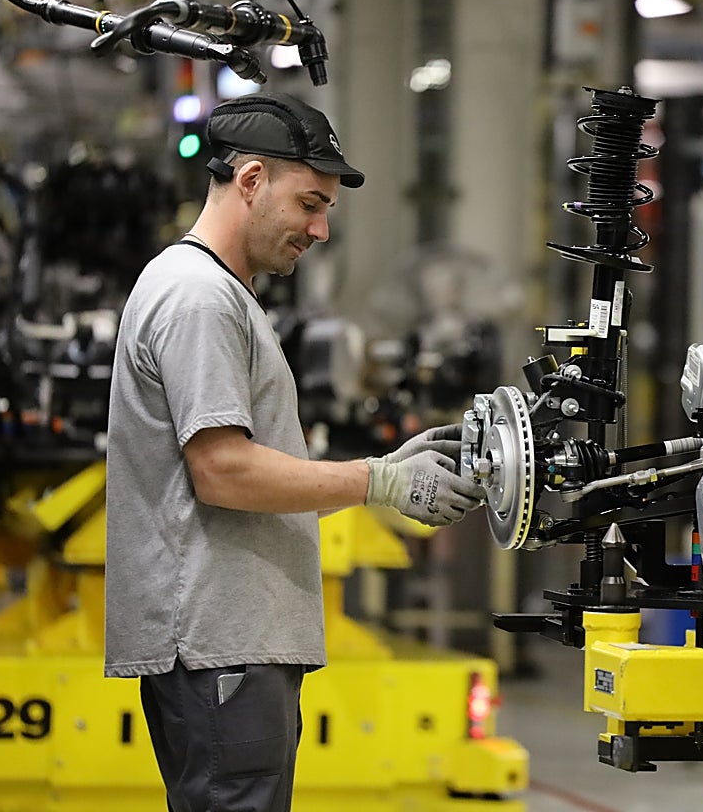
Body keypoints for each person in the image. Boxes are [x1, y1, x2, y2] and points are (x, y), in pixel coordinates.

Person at [104, 92, 485, 812]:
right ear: (250, 181)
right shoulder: (199, 300)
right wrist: (378, 482)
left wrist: (384, 470)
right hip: (221, 644)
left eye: (328, 210)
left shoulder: (219, 293)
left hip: (235, 643)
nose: (320, 228)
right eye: (310, 202)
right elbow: (221, 469)